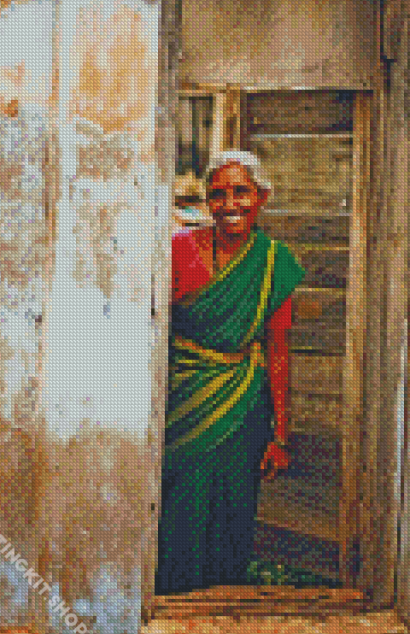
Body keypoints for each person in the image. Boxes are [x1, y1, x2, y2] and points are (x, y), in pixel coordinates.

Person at [155, 150, 306, 595]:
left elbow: (279, 349)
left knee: (231, 509)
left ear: (262, 198)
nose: (230, 204)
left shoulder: (275, 263)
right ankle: (170, 600)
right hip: (181, 401)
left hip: (243, 405)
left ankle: (222, 603)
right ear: (207, 201)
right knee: (177, 506)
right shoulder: (177, 249)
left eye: (242, 192)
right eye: (218, 194)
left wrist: (280, 434)